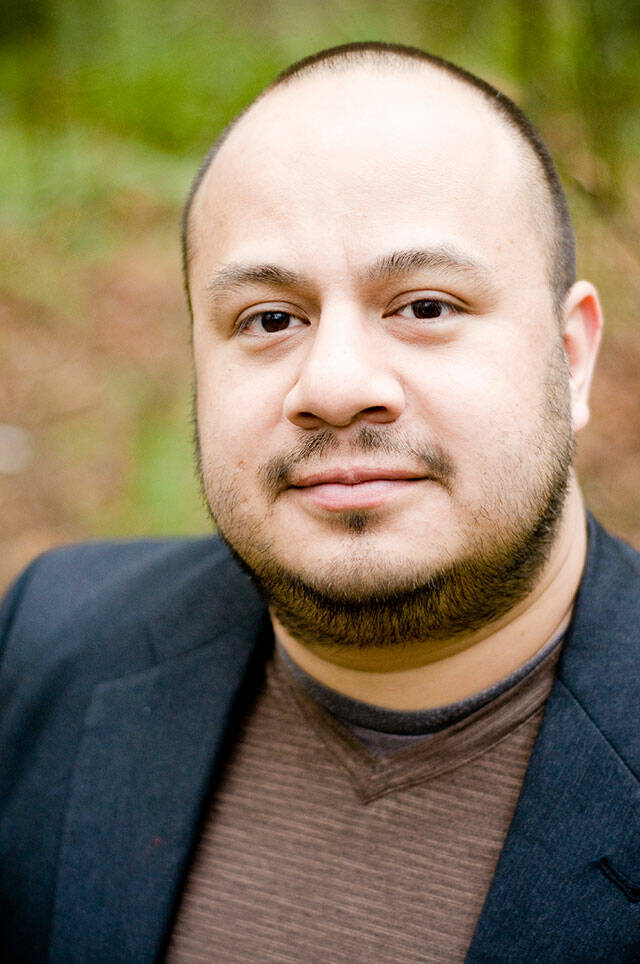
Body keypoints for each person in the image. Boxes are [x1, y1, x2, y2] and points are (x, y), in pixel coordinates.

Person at [1, 41, 639, 963]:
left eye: (425, 306)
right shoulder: (47, 642)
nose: (335, 386)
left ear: (571, 358)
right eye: (270, 319)